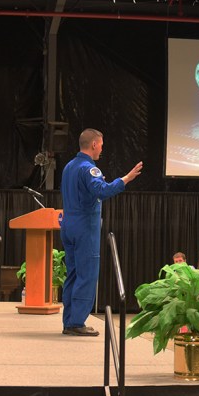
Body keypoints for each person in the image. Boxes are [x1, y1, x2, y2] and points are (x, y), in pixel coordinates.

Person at [58, 129, 142, 336]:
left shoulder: (69, 166)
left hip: (68, 224)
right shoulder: (88, 168)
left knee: (73, 274)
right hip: (85, 227)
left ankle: (69, 320)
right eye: (101, 145)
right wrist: (125, 179)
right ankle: (77, 321)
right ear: (94, 144)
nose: (102, 149)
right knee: (87, 275)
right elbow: (102, 191)